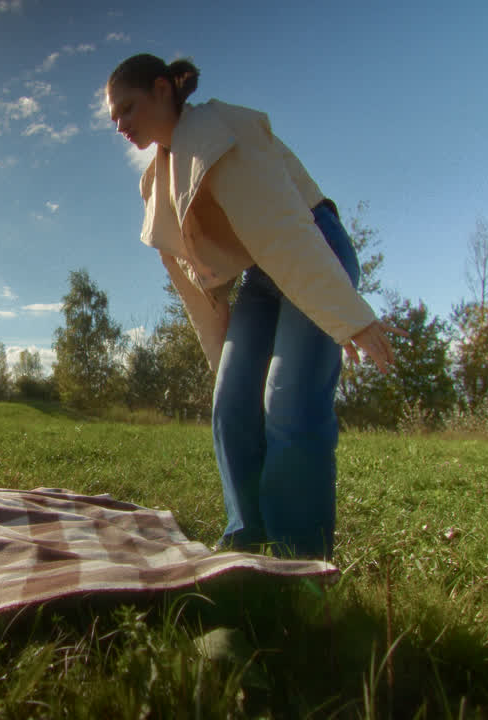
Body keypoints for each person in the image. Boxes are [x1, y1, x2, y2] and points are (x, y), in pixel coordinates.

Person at [106, 53, 404, 560]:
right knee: (232, 399)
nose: (121, 126)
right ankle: (247, 540)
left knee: (288, 404)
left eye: (128, 109)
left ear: (162, 89)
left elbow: (281, 229)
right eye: (114, 118)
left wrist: (347, 315)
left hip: (312, 246)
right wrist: (225, 359)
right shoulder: (160, 179)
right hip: (265, 272)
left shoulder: (219, 129)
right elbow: (194, 284)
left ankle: (298, 560)